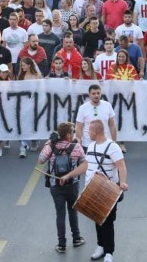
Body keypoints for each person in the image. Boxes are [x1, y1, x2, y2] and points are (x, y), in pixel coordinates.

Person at [37, 122, 88, 254]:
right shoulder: (76, 147)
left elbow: (41, 160)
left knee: (60, 213)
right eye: (72, 132)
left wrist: (48, 143)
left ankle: (61, 244)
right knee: (72, 211)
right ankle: (76, 238)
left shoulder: (51, 146)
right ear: (68, 135)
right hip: (73, 185)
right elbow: (84, 163)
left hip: (56, 185)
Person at [85, 119, 128, 262]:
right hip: (93, 189)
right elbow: (88, 165)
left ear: (95, 131)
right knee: (97, 219)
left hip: (107, 189)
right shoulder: (91, 146)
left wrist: (122, 182)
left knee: (107, 221)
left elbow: (121, 166)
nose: (88, 132)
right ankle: (101, 246)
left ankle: (109, 252)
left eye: (89, 130)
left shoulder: (113, 147)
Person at [75, 84, 118, 150]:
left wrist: (114, 142)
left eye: (98, 93)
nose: (96, 95)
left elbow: (112, 125)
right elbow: (79, 127)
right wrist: (79, 143)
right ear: (89, 95)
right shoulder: (83, 108)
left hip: (105, 144)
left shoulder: (107, 105)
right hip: (88, 145)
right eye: (93, 93)